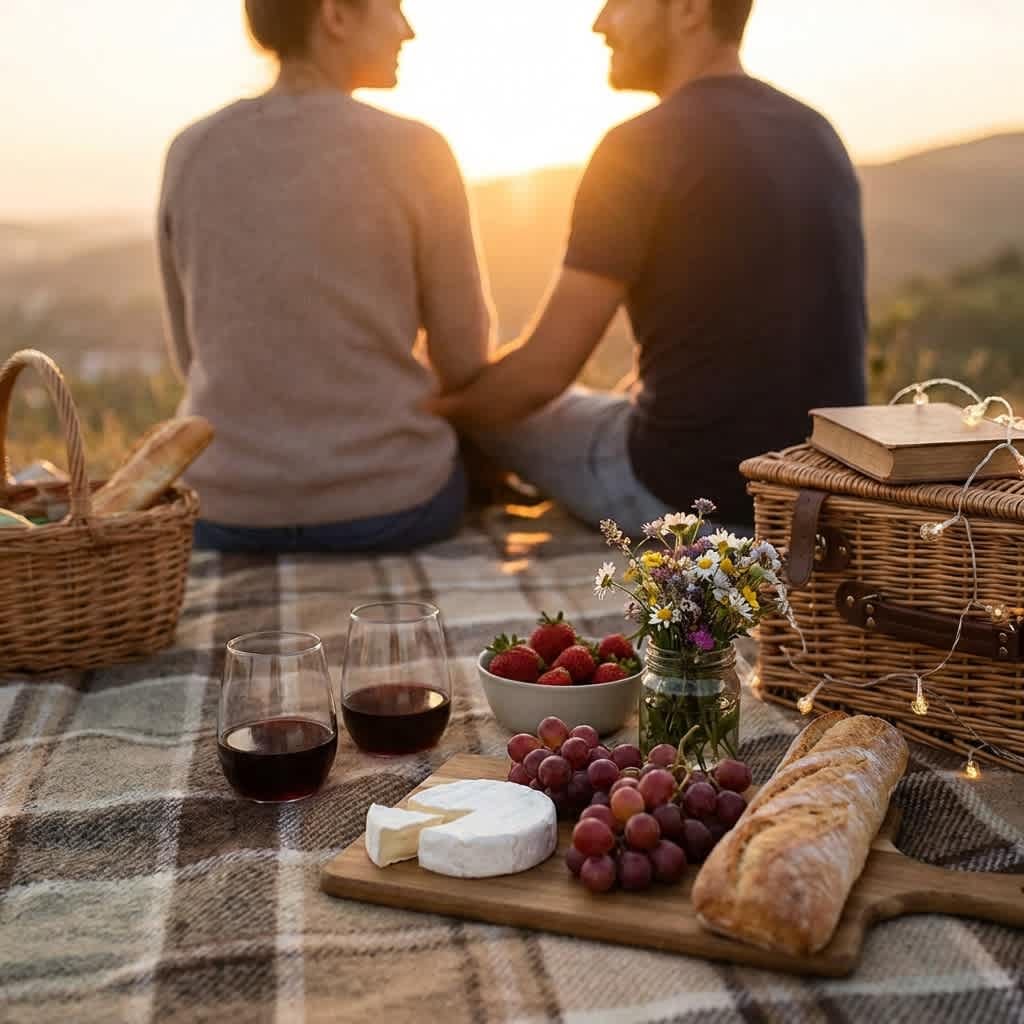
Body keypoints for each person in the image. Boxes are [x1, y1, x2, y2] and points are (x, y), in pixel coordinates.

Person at [430, 0, 866, 538]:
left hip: (684, 491)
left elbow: (541, 376)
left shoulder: (638, 145)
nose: (599, 23)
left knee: (496, 409)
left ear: (688, 11)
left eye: (618, 4)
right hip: (815, 492)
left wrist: (440, 407)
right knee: (585, 406)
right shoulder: (818, 132)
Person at [157, 0, 492, 554]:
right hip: (393, 506)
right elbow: (465, 363)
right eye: (396, 6)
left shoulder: (189, 150)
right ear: (334, 15)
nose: (408, 29)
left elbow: (191, 357)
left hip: (222, 511)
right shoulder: (419, 150)